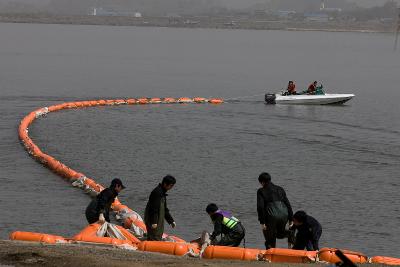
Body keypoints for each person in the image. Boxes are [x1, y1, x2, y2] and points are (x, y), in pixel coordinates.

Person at [257, 172, 293, 249]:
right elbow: (288, 204)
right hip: (284, 214)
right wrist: (291, 218)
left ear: (262, 182)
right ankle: (290, 234)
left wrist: (262, 222)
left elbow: (260, 207)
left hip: (271, 215)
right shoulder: (280, 189)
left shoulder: (261, 191)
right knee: (280, 233)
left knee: (269, 235)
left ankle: (271, 252)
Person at [144, 175, 176, 241]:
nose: (171, 187)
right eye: (171, 185)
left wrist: (171, 221)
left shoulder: (162, 193)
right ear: (165, 184)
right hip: (153, 219)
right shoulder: (157, 193)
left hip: (158, 219)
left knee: (158, 235)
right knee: (154, 236)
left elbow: (165, 209)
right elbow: (154, 208)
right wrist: (154, 222)